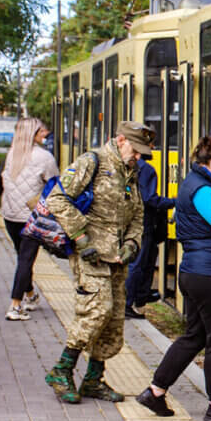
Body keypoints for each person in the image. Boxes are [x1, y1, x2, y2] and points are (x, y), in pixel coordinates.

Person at [136, 135, 211, 421]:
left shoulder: (194, 182)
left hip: (198, 271)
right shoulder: (202, 188)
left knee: (195, 336)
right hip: (210, 275)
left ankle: (155, 391)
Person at [43, 121, 149, 405]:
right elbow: (57, 200)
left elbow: (137, 214)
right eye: (136, 150)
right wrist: (81, 238)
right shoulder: (92, 162)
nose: (138, 157)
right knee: (96, 310)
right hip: (89, 253)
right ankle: (61, 370)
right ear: (120, 139)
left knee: (113, 317)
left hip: (116, 258)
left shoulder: (131, 171)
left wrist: (132, 243)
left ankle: (93, 378)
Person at [1, 118, 58, 321]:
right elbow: (55, 187)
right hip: (31, 218)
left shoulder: (11, 154)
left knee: (22, 258)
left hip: (10, 215)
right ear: (33, 133)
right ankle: (15, 306)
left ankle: (31, 295)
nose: (46, 133)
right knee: (26, 260)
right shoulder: (44, 157)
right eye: (42, 130)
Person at [124, 153, 175, 319]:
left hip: (134, 220)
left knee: (140, 262)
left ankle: (136, 300)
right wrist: (172, 202)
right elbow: (149, 198)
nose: (152, 147)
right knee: (139, 264)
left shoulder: (132, 166)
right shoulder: (146, 169)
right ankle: (129, 302)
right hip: (145, 222)